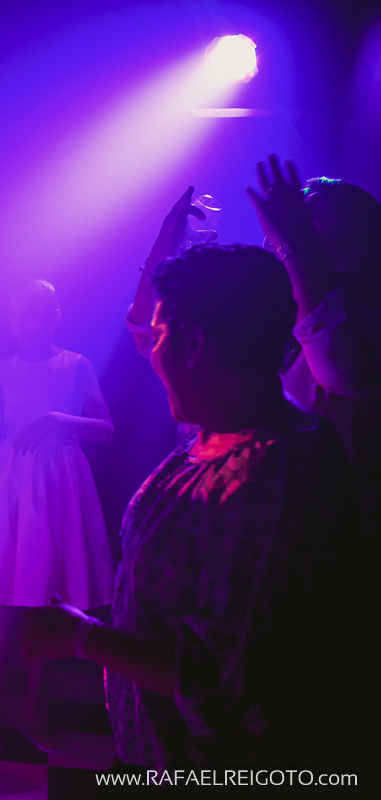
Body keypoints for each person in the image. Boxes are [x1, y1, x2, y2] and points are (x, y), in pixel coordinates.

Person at [23, 244, 363, 767]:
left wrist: (82, 636)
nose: (149, 349)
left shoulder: (266, 479)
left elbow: (220, 678)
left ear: (195, 345)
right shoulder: (223, 426)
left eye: (159, 335)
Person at [0, 278, 113, 756]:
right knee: (1, 600)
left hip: (59, 481)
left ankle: (31, 710)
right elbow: (1, 439)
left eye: (33, 314)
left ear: (54, 316)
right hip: (9, 484)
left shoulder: (76, 365)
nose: (22, 324)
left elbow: (106, 428)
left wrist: (58, 420)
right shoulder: (5, 367)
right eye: (15, 315)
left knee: (43, 598)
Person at [246, 156, 381, 530]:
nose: (278, 236)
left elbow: (343, 370)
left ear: (350, 255)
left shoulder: (370, 322)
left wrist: (294, 240)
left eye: (307, 220)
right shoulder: (279, 331)